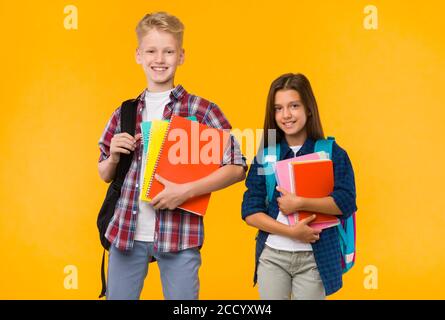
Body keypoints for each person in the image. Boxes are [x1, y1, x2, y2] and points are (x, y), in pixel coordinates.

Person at [98, 11, 247, 300]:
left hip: (179, 236)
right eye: (151, 51)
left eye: (169, 51)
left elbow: (238, 167)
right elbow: (104, 173)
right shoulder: (125, 112)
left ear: (181, 56)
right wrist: (114, 156)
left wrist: (185, 191)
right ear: (138, 55)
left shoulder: (201, 111)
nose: (160, 59)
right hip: (126, 233)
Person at [241, 73, 357, 299]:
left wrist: (300, 203)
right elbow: (250, 212)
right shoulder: (265, 156)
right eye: (278, 108)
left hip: (315, 259)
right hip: (272, 256)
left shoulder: (332, 153)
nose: (286, 115)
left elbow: (346, 202)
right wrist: (291, 232)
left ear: (308, 108)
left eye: (294, 105)